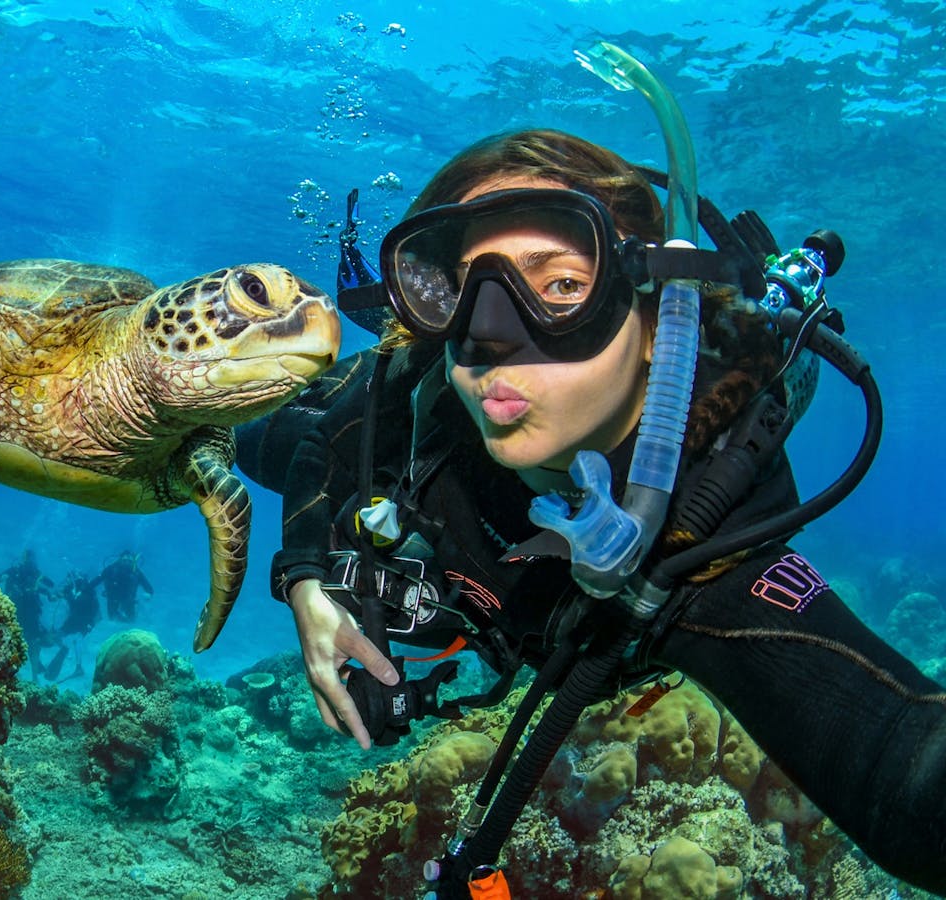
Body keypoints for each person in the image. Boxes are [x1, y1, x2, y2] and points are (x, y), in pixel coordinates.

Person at [240, 129, 946, 892]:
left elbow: (900, 766)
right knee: (233, 433)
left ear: (658, 321)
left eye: (561, 288)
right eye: (467, 286)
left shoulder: (703, 539)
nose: (486, 338)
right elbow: (319, 441)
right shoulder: (426, 391)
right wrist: (306, 581)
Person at [0, 548, 58, 679]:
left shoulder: (35, 573)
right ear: (24, 559)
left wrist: (48, 591)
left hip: (31, 613)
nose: (30, 561)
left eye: (32, 559)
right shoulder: (15, 571)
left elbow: (50, 584)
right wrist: (3, 577)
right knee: (13, 641)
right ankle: (11, 672)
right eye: (28, 558)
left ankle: (34, 674)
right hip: (14, 612)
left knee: (33, 641)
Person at [95, 550, 154, 622]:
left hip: (128, 599)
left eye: (129, 560)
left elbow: (148, 586)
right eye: (125, 560)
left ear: (132, 561)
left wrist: (149, 594)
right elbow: (97, 580)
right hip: (113, 598)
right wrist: (84, 589)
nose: (126, 563)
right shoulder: (111, 569)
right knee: (112, 619)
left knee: (131, 620)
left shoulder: (136, 571)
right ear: (120, 560)